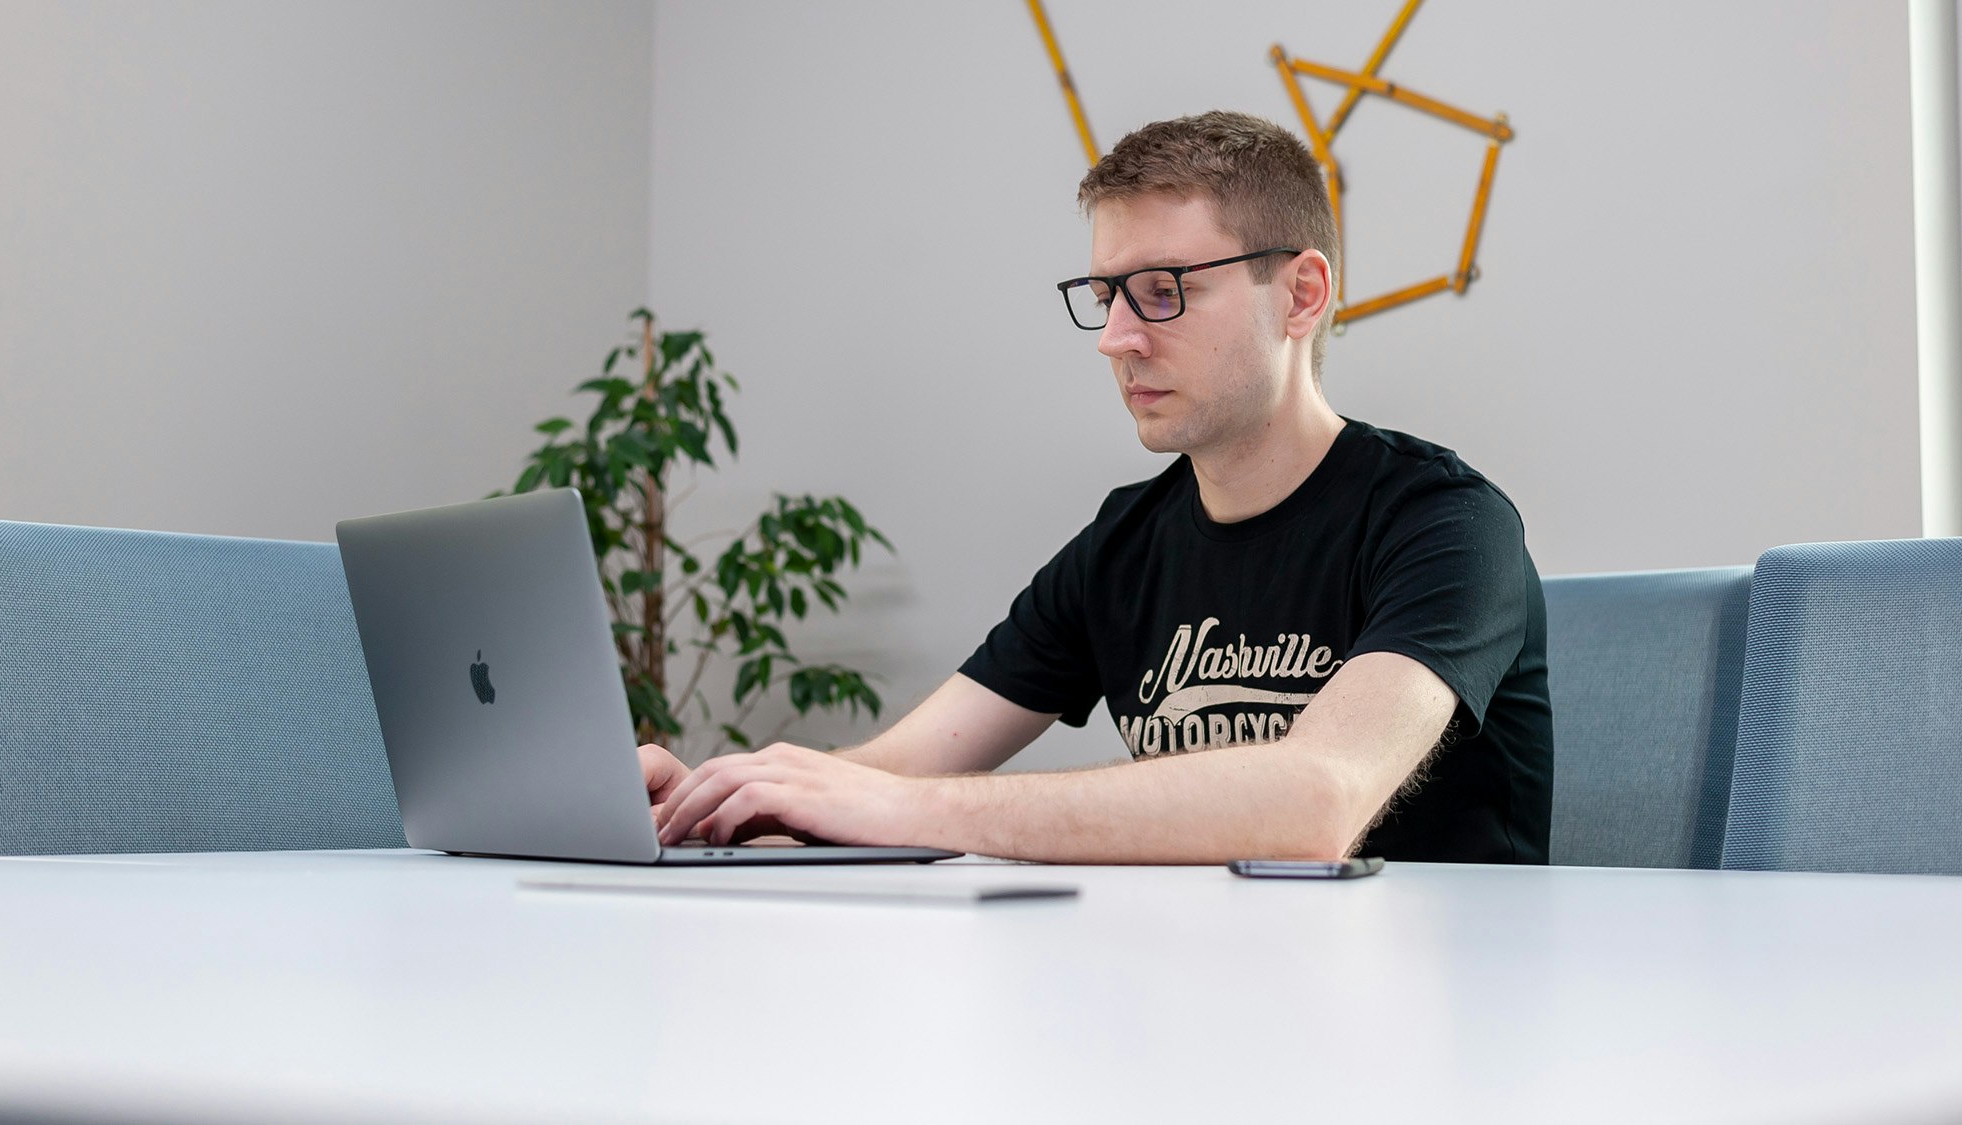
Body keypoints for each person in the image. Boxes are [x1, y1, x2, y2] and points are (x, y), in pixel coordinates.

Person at [641, 110, 1552, 864]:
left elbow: (1315, 802)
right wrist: (729, 799)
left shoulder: (1447, 523)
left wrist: (906, 812)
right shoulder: (1124, 545)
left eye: (1161, 291)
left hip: (1432, 1032)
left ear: (1302, 295)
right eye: (1106, 295)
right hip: (1207, 1000)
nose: (1116, 338)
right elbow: (894, 771)